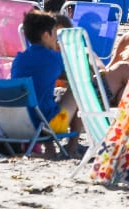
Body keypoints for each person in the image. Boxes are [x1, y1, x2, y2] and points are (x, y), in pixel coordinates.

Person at [10, 10, 78, 149]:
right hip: (48, 125)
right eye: (54, 34)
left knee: (43, 98)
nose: (56, 39)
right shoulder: (54, 58)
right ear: (46, 35)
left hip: (18, 123)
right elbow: (76, 75)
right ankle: (72, 147)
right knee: (77, 89)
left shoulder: (19, 59)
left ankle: (49, 148)